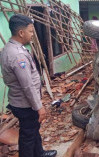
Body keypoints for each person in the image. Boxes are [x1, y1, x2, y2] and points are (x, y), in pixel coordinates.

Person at [0, 14, 57, 157]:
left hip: (21, 101)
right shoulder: (18, 55)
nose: (32, 35)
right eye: (31, 31)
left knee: (32, 129)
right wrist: (39, 107)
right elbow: (27, 86)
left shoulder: (10, 47)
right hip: (26, 104)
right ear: (21, 33)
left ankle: (40, 153)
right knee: (28, 137)